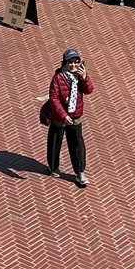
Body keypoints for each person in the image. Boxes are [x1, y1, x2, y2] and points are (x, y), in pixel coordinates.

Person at [43, 47, 92, 187]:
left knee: (77, 144)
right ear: (64, 63)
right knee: (55, 142)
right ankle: (53, 167)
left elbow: (89, 90)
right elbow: (54, 99)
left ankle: (80, 172)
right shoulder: (58, 78)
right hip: (60, 117)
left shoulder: (79, 75)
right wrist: (63, 115)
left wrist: (84, 77)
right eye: (70, 62)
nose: (73, 65)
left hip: (75, 115)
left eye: (76, 62)